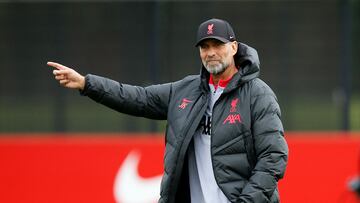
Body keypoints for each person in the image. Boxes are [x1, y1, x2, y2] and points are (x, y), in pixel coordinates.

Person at [48, 18, 288, 203]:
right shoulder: (184, 91)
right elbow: (136, 97)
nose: (211, 52)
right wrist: (87, 84)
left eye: (218, 44)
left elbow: (273, 158)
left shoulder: (258, 94)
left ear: (234, 47)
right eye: (205, 46)